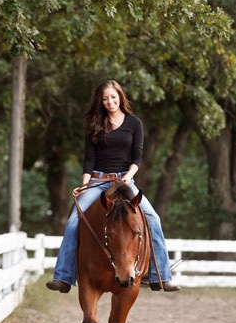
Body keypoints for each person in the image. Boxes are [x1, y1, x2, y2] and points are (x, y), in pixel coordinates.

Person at [46, 80, 180, 293]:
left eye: (113, 97)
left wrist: (128, 177)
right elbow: (89, 158)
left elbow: (137, 157)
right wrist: (84, 184)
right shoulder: (93, 124)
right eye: (105, 98)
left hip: (125, 180)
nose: (110, 102)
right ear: (100, 101)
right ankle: (63, 276)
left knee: (153, 218)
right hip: (98, 181)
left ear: (120, 97)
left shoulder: (134, 124)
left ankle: (160, 276)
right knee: (73, 221)